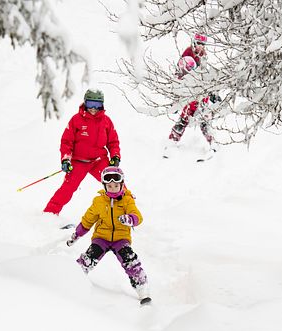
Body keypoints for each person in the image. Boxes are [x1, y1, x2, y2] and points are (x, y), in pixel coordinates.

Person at [66, 166, 150, 304]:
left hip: (121, 240)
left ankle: (142, 288)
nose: (112, 188)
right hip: (101, 238)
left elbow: (137, 216)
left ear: (122, 184)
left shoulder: (127, 200)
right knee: (89, 257)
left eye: (116, 185)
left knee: (130, 260)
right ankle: (73, 278)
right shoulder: (98, 201)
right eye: (109, 186)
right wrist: (77, 235)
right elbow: (88, 219)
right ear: (104, 186)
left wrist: (130, 219)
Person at [43, 89, 121, 215]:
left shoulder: (106, 121)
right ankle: (50, 213)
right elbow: (66, 142)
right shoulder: (76, 120)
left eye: (98, 105)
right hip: (79, 161)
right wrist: (66, 160)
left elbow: (113, 142)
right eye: (90, 104)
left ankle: (127, 211)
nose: (94, 108)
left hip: (99, 161)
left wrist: (115, 156)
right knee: (68, 188)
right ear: (85, 103)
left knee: (115, 181)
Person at [167, 34, 220, 158]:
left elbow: (205, 76)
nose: (201, 47)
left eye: (203, 45)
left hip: (201, 95)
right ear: (194, 43)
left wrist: (213, 93)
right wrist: (176, 99)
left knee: (204, 119)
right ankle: (172, 142)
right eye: (198, 44)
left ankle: (213, 143)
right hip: (190, 95)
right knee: (185, 118)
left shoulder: (203, 55)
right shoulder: (188, 55)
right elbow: (179, 76)